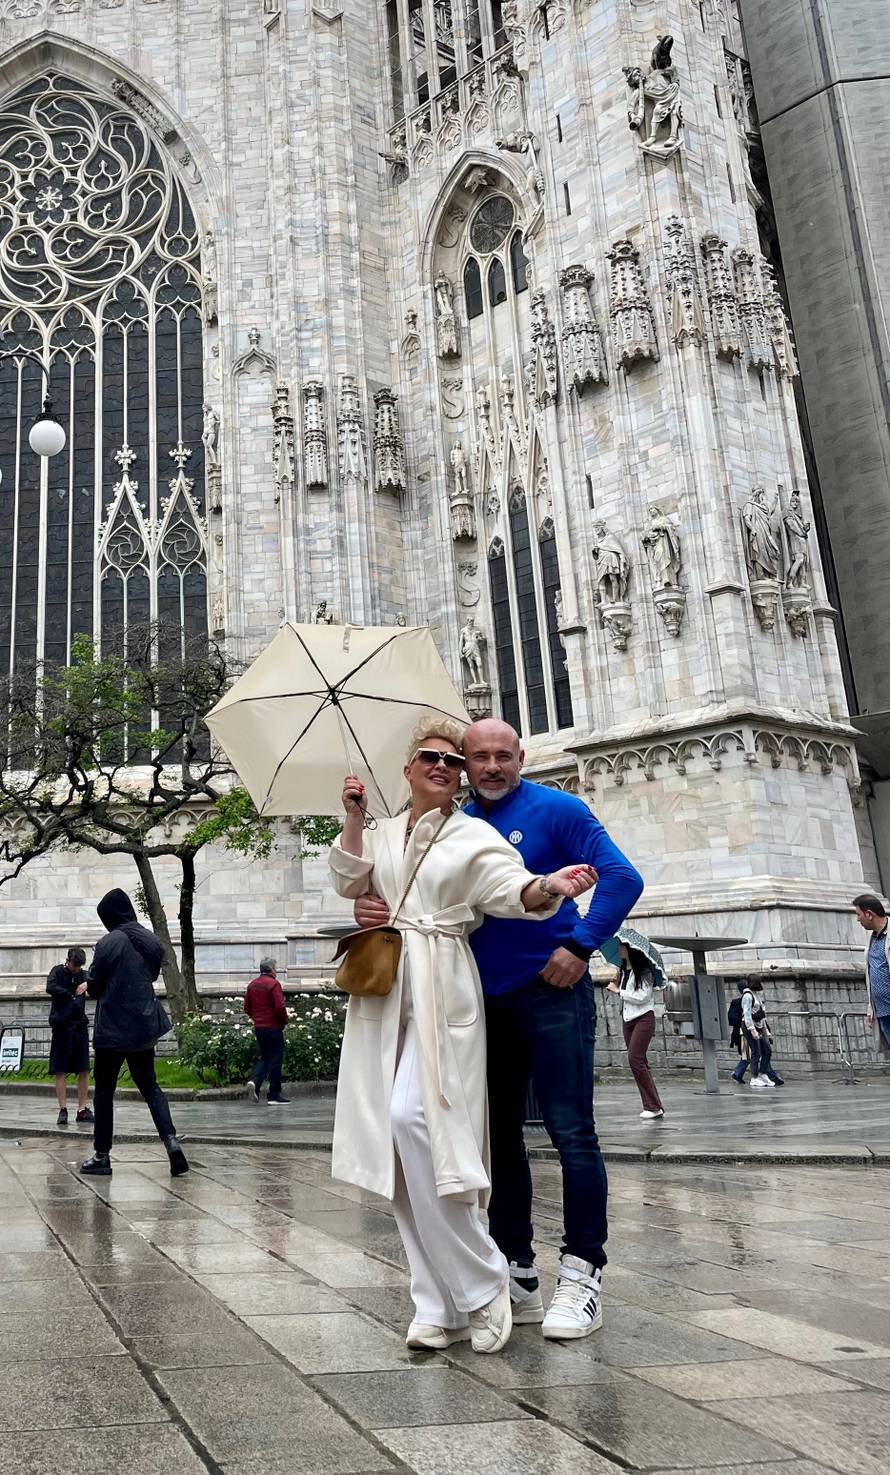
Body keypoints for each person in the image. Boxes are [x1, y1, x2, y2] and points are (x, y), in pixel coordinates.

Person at [355, 716, 643, 1340]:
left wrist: (581, 943)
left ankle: (582, 1272)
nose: (487, 767)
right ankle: (516, 1267)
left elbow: (622, 878)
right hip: (477, 1001)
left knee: (573, 1132)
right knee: (497, 1136)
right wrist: (374, 901)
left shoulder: (557, 810)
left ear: (520, 757)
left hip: (550, 993)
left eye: (500, 757)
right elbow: (390, 887)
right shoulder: (438, 822)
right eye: (474, 757)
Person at [79, 889, 188, 1178]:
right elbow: (148, 977)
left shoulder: (108, 943)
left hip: (112, 1032)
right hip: (143, 1029)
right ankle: (172, 1144)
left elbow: (95, 985)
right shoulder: (149, 941)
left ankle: (102, 1156)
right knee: (151, 1088)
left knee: (104, 1093)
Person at [606, 936, 665, 1119]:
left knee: (635, 1059)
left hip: (643, 1018)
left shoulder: (645, 972)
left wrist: (619, 991)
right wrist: (616, 984)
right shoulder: (624, 971)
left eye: (622, 946)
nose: (619, 949)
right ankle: (653, 1105)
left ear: (630, 949)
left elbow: (643, 997)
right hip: (628, 1018)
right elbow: (628, 996)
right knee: (640, 1062)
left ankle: (653, 1106)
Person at [46, 947, 93, 1126]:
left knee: (83, 1069)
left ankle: (82, 1109)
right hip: (61, 1026)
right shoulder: (57, 972)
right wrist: (69, 993)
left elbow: (97, 979)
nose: (76, 969)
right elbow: (50, 986)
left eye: (79, 966)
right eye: (74, 965)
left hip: (79, 1026)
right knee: (60, 1069)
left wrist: (87, 984)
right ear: (68, 961)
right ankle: (62, 1109)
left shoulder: (84, 975)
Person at [245, 958, 290, 1104]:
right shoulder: (273, 984)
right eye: (276, 969)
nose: (276, 971)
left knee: (265, 1057)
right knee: (276, 1059)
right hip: (273, 1026)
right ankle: (273, 1095)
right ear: (271, 969)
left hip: (259, 1027)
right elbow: (279, 1006)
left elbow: (247, 1007)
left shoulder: (252, 985)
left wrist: (256, 1018)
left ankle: (255, 1083)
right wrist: (283, 1021)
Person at [731, 976, 784, 1086]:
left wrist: (767, 1032)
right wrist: (752, 1030)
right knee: (755, 1052)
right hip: (750, 1027)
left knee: (767, 1050)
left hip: (760, 1026)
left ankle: (763, 1073)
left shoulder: (756, 996)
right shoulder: (747, 996)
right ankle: (755, 1077)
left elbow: (762, 1014)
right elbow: (746, 1015)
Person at [853, 893, 890, 1050]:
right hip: (882, 1012)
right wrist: (871, 1009)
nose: (857, 919)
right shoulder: (873, 940)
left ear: (869, 914)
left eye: (858, 915)